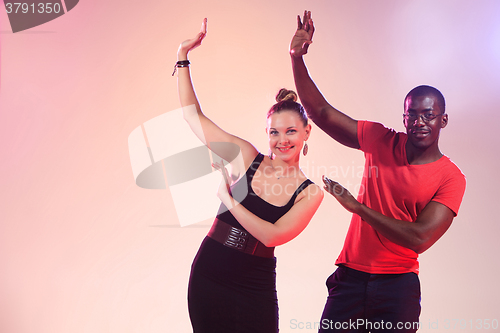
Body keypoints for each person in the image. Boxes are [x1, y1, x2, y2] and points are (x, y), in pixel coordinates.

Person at [289, 11, 466, 333]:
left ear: (443, 120)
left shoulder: (451, 177)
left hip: (397, 287)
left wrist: (357, 208)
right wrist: (296, 58)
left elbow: (419, 237)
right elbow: (321, 112)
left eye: (428, 115)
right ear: (403, 118)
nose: (419, 122)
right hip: (350, 278)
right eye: (412, 115)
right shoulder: (380, 140)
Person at [175, 18, 324, 333]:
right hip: (209, 276)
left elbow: (271, 235)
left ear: (307, 132)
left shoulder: (309, 193)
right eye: (274, 132)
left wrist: (227, 200)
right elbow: (192, 117)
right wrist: (183, 56)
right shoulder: (246, 156)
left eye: (291, 132)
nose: (282, 140)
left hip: (253, 285)